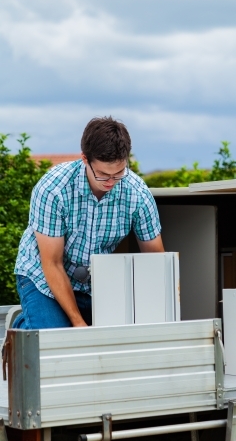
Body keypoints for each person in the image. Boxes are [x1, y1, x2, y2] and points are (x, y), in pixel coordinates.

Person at [13, 117, 164, 329]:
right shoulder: (52, 189)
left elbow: (155, 259)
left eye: (119, 173)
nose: (111, 182)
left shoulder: (138, 193)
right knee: (57, 341)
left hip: (95, 280)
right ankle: (24, 327)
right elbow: (52, 263)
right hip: (44, 276)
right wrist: (78, 323)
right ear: (85, 159)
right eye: (102, 175)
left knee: (118, 338)